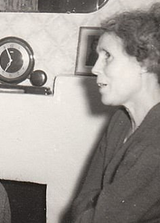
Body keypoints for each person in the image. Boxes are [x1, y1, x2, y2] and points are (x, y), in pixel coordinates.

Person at [71, 3, 160, 222]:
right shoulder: (121, 120)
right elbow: (82, 202)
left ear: (145, 63)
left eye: (107, 56)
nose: (94, 69)